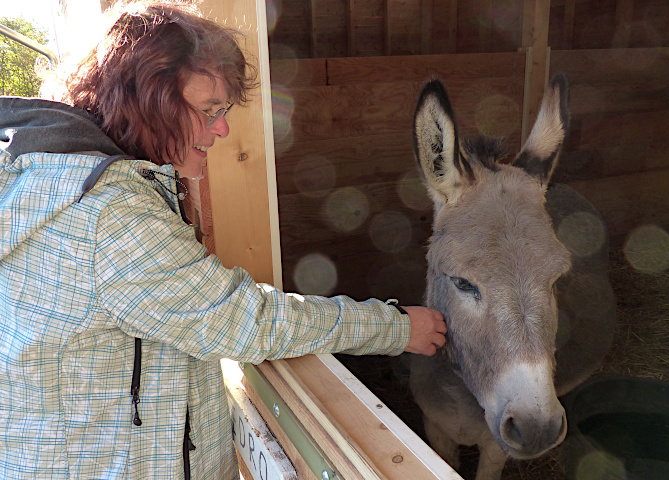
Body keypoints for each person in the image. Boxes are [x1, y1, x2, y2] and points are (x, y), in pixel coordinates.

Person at [0, 2, 446, 479]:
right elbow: (246, 323)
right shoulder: (111, 214)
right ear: (148, 101)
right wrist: (397, 327)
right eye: (209, 110)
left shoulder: (52, 177)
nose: (224, 128)